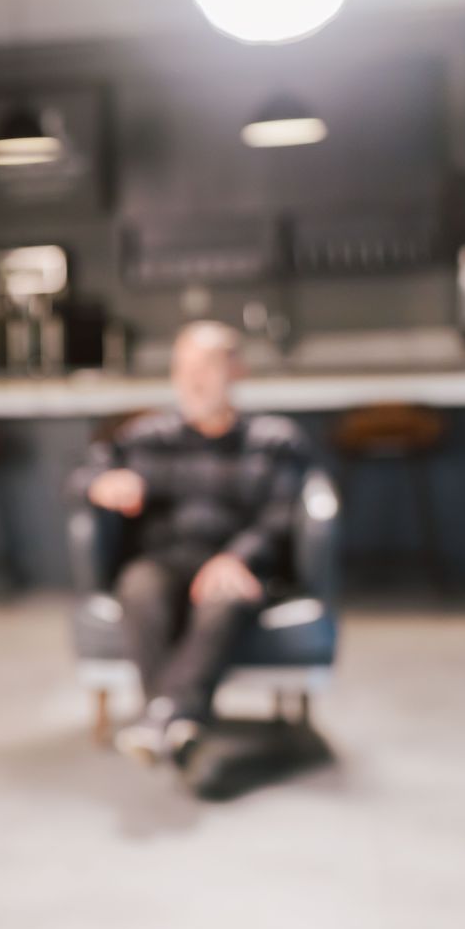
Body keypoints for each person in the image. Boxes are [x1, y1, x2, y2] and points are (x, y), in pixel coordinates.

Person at [69, 321, 312, 765]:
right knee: (139, 586)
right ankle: (179, 721)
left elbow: (281, 516)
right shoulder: (147, 438)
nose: (193, 379)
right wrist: (103, 482)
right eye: (182, 368)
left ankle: (161, 717)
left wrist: (238, 558)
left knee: (225, 596)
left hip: (233, 564)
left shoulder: (275, 442)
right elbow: (84, 475)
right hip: (161, 561)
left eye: (206, 366)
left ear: (236, 370)